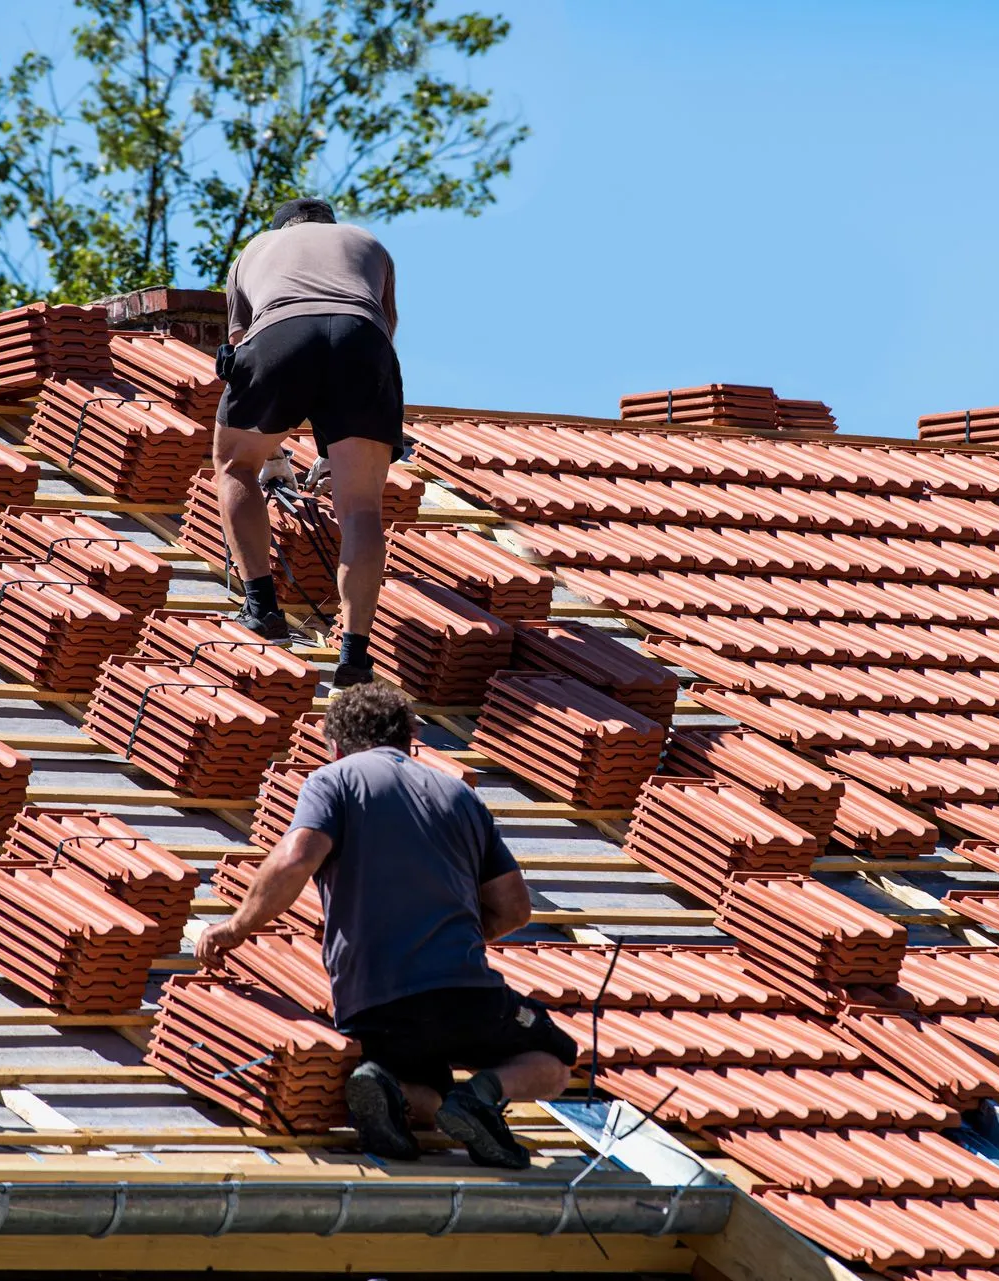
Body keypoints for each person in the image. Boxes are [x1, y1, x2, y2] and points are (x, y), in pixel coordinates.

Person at [195, 683, 575, 1168]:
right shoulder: (459, 794)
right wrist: (448, 935)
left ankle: (389, 1085)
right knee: (557, 1059)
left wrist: (235, 927)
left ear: (336, 745)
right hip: (464, 995)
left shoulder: (333, 780)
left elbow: (295, 860)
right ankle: (481, 1095)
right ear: (409, 737)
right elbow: (515, 909)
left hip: (374, 1007)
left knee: (421, 1084)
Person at [212, 195, 402, 688]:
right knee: (361, 508)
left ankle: (262, 608)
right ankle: (356, 654)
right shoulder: (368, 243)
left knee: (234, 467)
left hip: (282, 335)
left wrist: (268, 447)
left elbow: (241, 344)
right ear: (327, 225)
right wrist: (336, 446)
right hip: (364, 343)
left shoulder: (256, 249)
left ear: (284, 228)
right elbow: (386, 327)